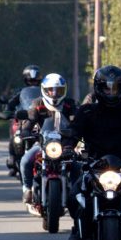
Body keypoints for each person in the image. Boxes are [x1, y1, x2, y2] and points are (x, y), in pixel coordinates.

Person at [64, 65, 121, 240]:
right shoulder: (87, 111)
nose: (111, 92)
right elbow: (73, 132)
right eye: (107, 88)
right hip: (93, 163)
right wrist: (67, 147)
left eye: (116, 88)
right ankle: (78, 228)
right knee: (74, 195)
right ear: (98, 88)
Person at [19, 73, 78, 204]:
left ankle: (76, 193)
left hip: (65, 145)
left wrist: (75, 134)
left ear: (64, 90)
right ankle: (27, 190)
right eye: (51, 90)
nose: (54, 93)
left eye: (58, 90)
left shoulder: (69, 104)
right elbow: (30, 121)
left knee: (77, 165)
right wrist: (25, 131)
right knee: (25, 161)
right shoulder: (37, 103)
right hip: (42, 143)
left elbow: (76, 123)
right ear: (44, 90)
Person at [1, 65, 44, 175]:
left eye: (35, 80)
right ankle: (12, 159)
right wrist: (7, 111)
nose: (33, 82)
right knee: (15, 136)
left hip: (38, 119)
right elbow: (11, 103)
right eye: (31, 80)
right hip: (21, 119)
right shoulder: (20, 91)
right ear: (26, 80)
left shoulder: (44, 91)